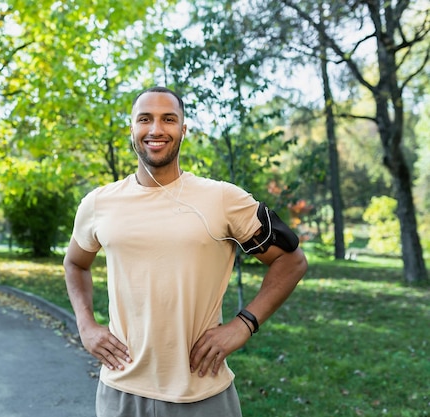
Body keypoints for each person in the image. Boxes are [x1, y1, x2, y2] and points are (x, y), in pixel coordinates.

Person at [63, 86, 308, 417]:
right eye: (145, 119)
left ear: (183, 129)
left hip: (203, 392)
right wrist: (86, 324)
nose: (156, 129)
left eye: (169, 119)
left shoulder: (222, 199)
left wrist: (243, 324)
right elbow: (76, 264)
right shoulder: (98, 203)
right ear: (132, 128)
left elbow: (291, 260)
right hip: (120, 392)